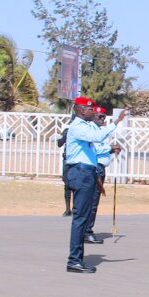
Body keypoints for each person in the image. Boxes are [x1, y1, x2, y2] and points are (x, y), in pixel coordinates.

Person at [63, 98, 124, 273]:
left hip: (87, 172)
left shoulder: (86, 126)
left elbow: (96, 148)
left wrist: (110, 149)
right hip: (80, 173)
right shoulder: (78, 127)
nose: (94, 113)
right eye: (90, 110)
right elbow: (97, 137)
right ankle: (74, 260)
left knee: (84, 216)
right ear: (81, 110)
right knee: (80, 218)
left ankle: (77, 258)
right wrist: (117, 122)